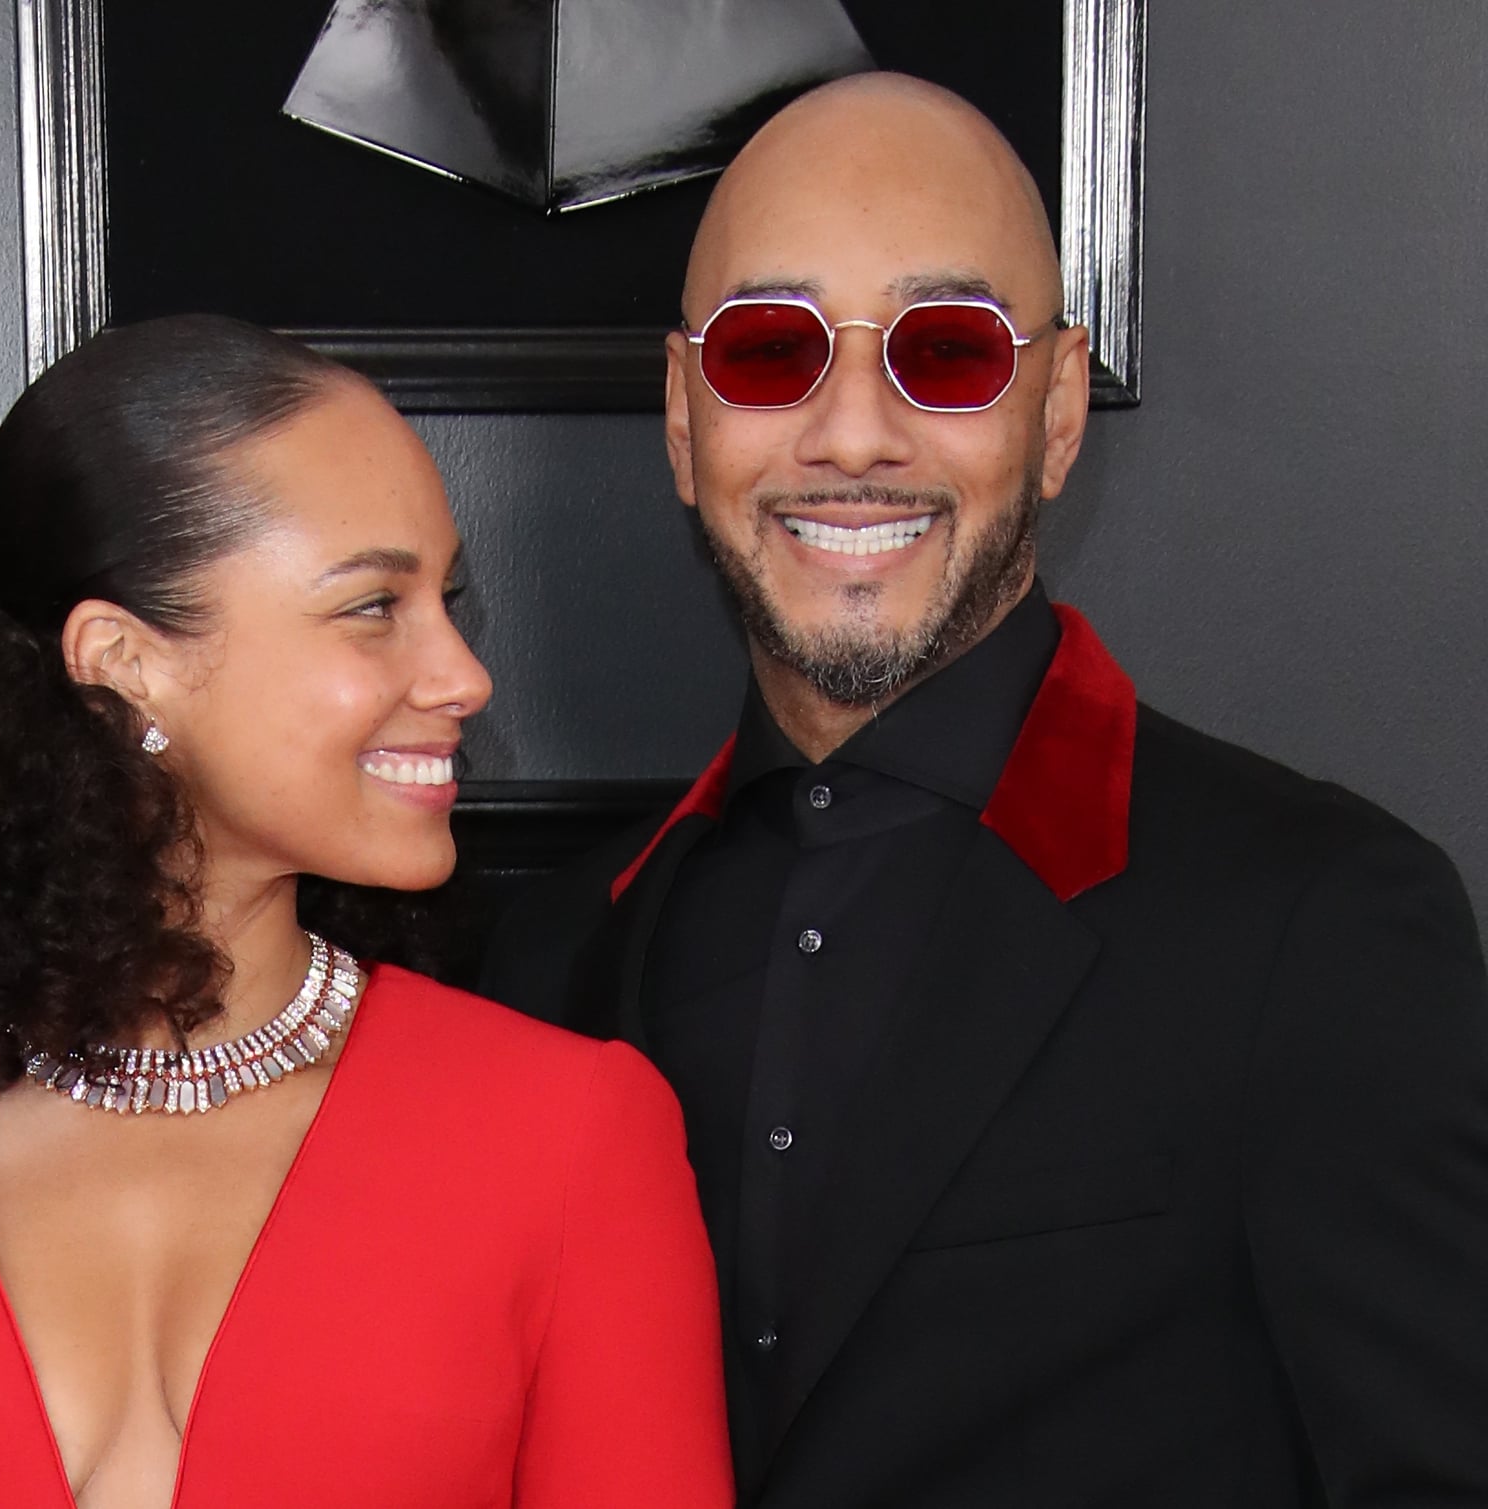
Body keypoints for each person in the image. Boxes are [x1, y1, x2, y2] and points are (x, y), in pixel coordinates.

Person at [482, 74, 1488, 1507]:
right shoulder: (552, 963)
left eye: (943, 352)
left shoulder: (1315, 927)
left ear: (1059, 410)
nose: (849, 436)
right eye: (770, 353)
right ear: (683, 420)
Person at [0, 315, 732, 1509]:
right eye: (374, 606)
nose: (462, 675)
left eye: (446, 598)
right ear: (124, 662)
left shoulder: (570, 1138)